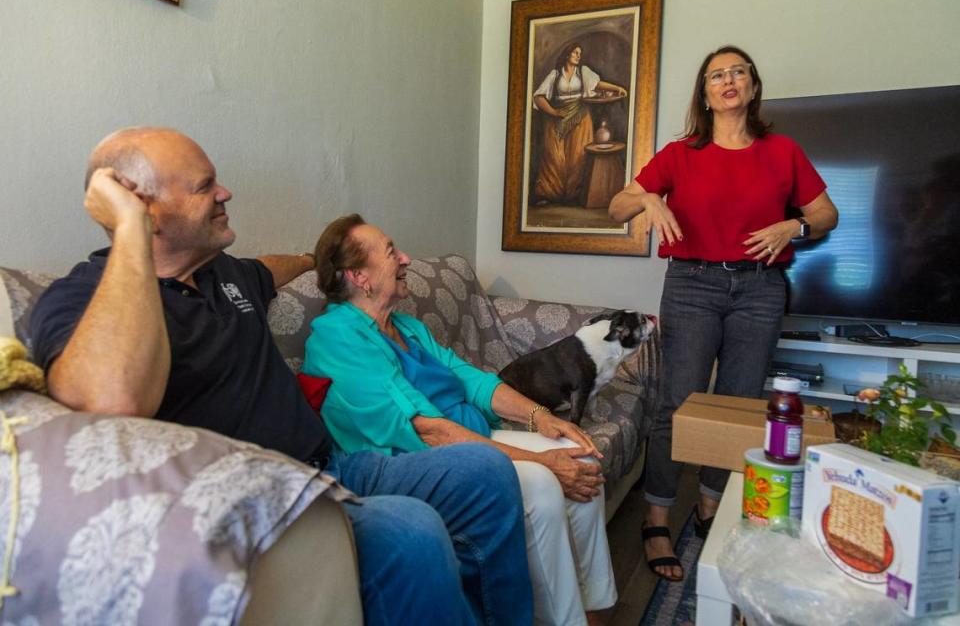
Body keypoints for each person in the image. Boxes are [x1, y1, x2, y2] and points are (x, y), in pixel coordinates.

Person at [28, 127, 534, 625]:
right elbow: (111, 399)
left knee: (484, 473)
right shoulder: (83, 299)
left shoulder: (225, 274)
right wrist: (130, 233)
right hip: (259, 504)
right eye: (205, 186)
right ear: (143, 207)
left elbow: (272, 267)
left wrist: (322, 261)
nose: (225, 193)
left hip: (332, 466)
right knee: (410, 533)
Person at [303, 214, 617, 626]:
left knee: (582, 458)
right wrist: (541, 463)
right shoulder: (338, 336)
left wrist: (540, 416)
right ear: (360, 276)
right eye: (392, 251)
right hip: (417, 460)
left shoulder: (406, 327)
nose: (406, 258)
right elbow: (426, 430)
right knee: (542, 483)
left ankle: (595, 608)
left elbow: (470, 380)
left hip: (473, 437)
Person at [608, 46, 838, 582]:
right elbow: (619, 204)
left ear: (753, 88)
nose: (728, 80)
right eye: (717, 75)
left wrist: (793, 227)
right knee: (678, 401)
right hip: (692, 286)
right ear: (705, 94)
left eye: (738, 72)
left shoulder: (782, 151)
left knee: (739, 403)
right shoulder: (681, 153)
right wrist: (647, 201)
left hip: (760, 289)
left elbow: (826, 212)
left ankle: (711, 503)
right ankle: (658, 514)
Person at [532, 43, 627, 204]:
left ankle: (573, 195)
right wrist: (554, 112)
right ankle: (549, 194)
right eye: (575, 52)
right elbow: (538, 97)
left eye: (579, 53)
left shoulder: (583, 72)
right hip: (557, 120)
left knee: (577, 155)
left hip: (580, 117)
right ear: (567, 54)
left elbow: (597, 84)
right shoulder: (555, 75)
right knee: (554, 157)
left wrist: (617, 88)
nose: (578, 55)